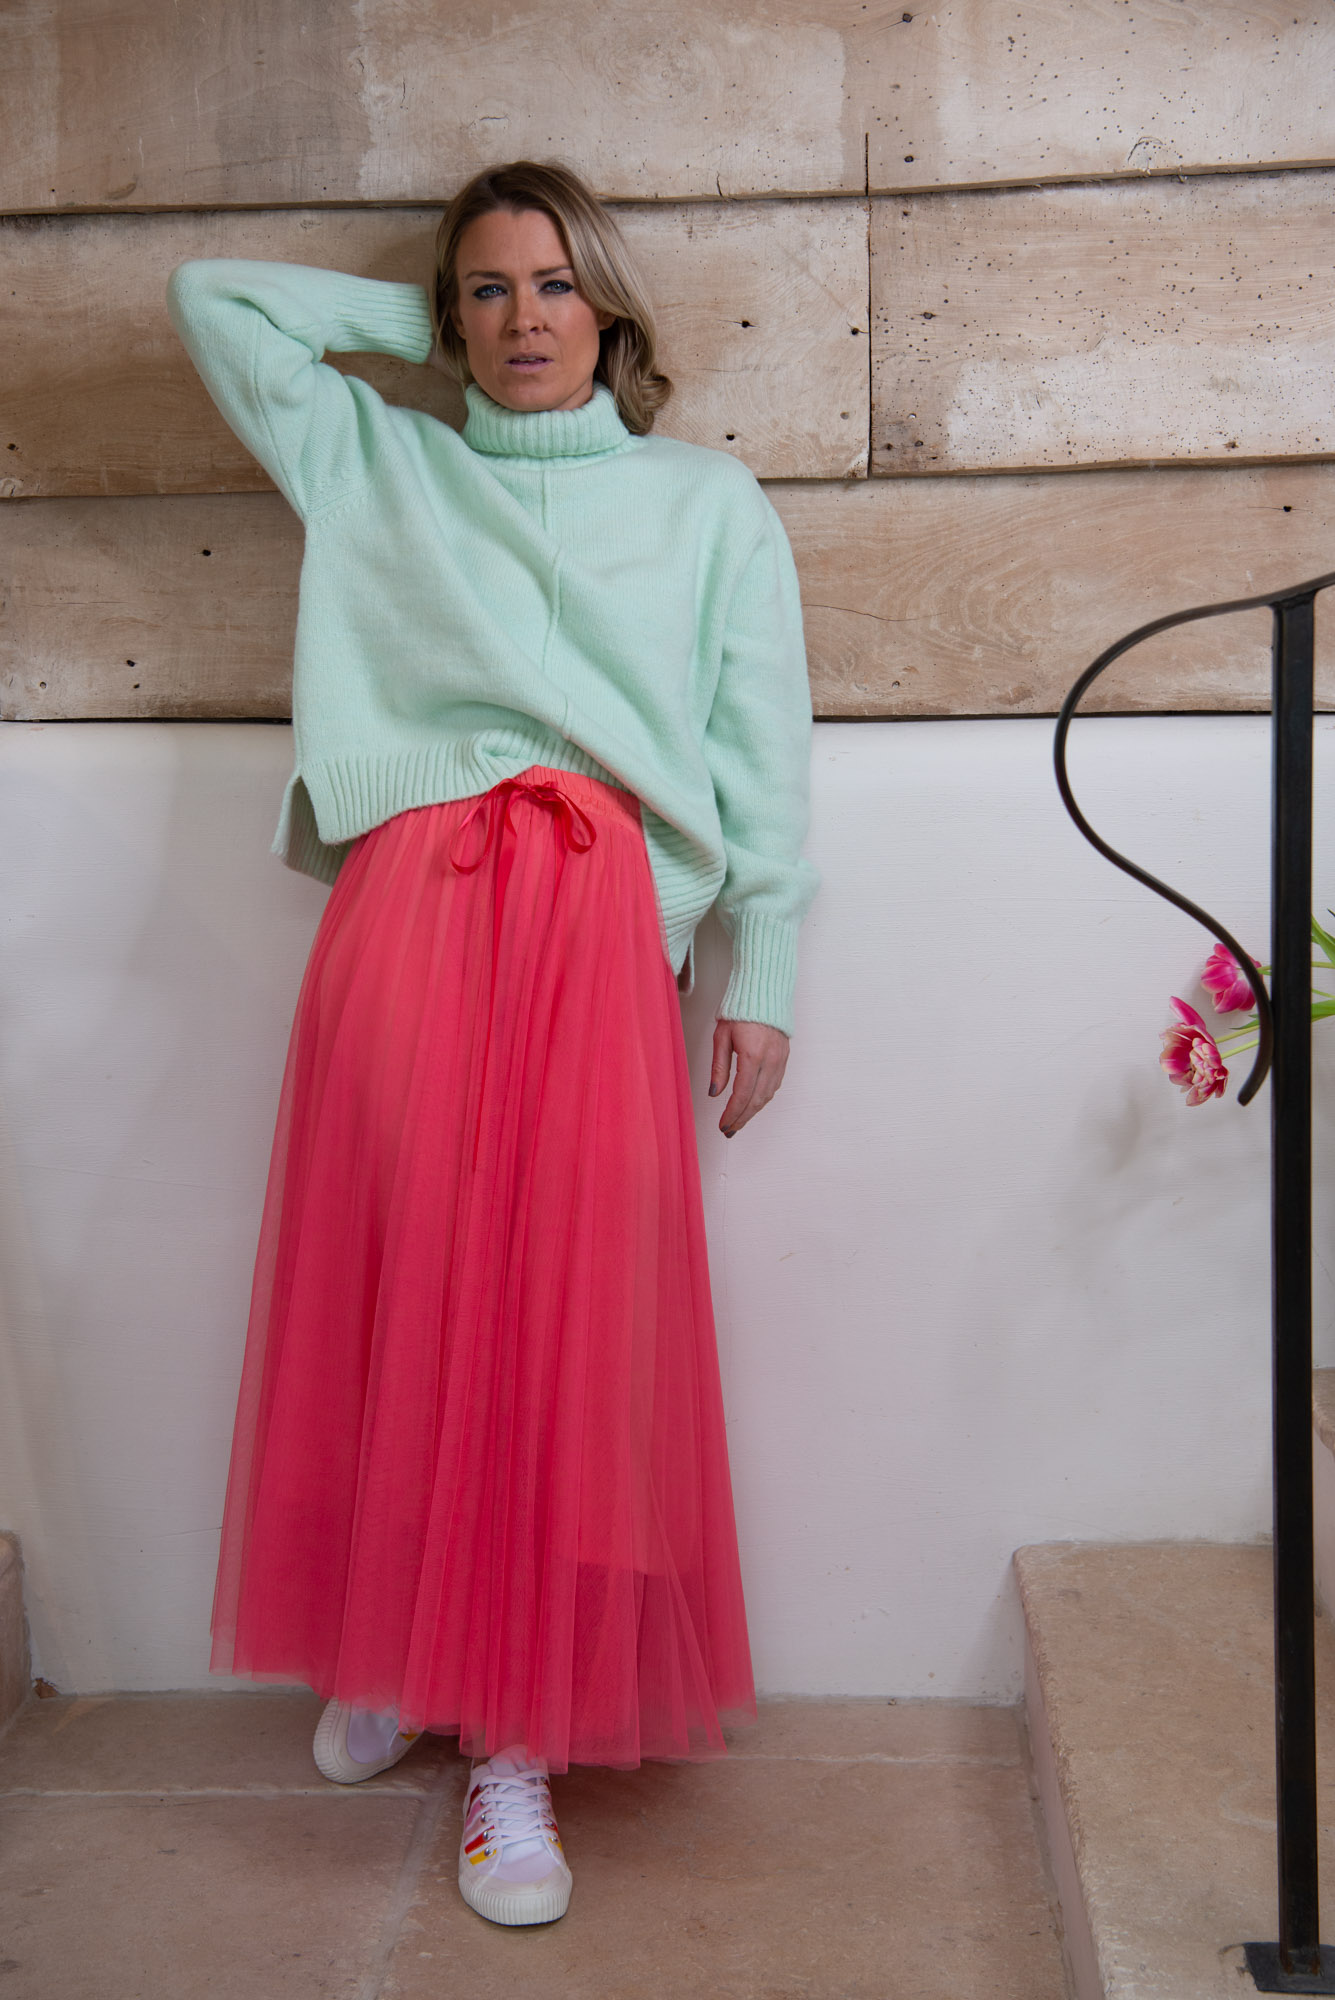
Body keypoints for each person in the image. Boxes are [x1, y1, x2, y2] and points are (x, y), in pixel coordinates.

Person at [165, 158, 818, 1929]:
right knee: (401, 1286)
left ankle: (513, 1745)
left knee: (564, 1323)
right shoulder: (377, 460)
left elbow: (758, 742)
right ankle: (397, 1649)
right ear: (446, 316)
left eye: (555, 285)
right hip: (411, 904)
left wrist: (761, 958)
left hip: (601, 922)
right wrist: (432, 334)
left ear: (612, 307)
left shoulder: (703, 504)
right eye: (487, 290)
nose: (526, 320)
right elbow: (214, 300)